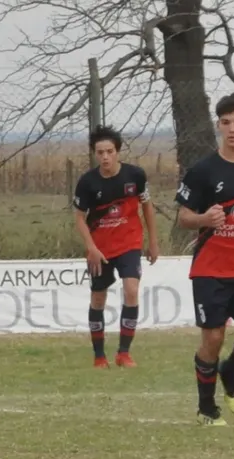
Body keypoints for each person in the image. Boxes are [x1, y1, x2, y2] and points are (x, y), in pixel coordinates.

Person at [174, 92, 234, 426]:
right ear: (219, 126)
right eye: (226, 122)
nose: (232, 129)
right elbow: (184, 216)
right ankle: (207, 409)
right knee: (212, 339)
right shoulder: (203, 171)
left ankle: (229, 372)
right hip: (210, 269)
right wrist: (204, 219)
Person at [73, 125, 159, 368]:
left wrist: (152, 242)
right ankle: (99, 356)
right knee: (98, 298)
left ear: (118, 151)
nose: (105, 157)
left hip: (130, 244)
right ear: (95, 154)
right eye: (100, 152)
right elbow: (79, 217)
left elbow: (147, 207)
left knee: (131, 290)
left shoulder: (135, 176)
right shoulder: (87, 182)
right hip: (100, 248)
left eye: (109, 151)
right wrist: (91, 247)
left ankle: (124, 353)